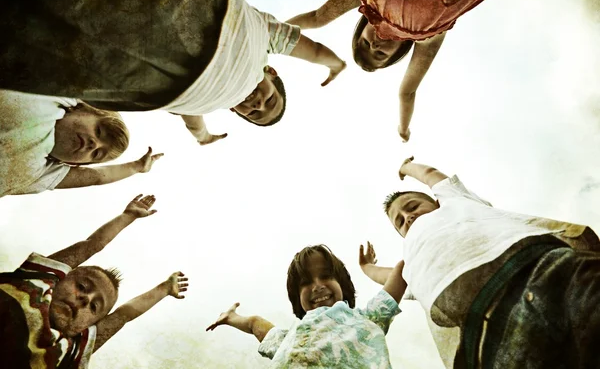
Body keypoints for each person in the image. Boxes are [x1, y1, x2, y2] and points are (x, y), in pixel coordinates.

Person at [0, 0, 346, 146]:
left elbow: (192, 118)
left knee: (52, 46)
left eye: (252, 113)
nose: (256, 104)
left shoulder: (208, 103)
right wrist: (333, 63)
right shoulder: (263, 45)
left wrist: (203, 136)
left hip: (155, 78)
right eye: (269, 100)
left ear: (233, 109)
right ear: (271, 72)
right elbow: (308, 47)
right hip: (211, 8)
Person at [382, 156, 600, 368]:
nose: (407, 217)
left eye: (412, 207)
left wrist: (407, 167)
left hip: (542, 268)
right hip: (488, 332)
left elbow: (431, 175)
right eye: (400, 221)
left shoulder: (453, 201)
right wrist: (367, 268)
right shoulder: (412, 259)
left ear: (437, 202)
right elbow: (393, 278)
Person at [287, 0, 519, 142]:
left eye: (365, 43)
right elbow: (406, 92)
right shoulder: (427, 35)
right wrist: (403, 129)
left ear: (361, 29)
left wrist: (268, 34)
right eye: (379, 53)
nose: (375, 44)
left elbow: (317, 18)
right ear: (399, 52)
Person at [0, 194, 188, 369]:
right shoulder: (33, 285)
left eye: (94, 307)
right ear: (58, 279)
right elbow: (90, 246)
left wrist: (164, 289)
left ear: (85, 327)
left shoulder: (66, 351)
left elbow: (123, 315)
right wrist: (127, 216)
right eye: (82, 286)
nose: (85, 299)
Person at [206, 244, 406, 368]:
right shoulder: (291, 338)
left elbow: (402, 273)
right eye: (305, 282)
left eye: (326, 276)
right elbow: (255, 325)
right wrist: (230, 317)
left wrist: (367, 267)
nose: (317, 286)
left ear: (343, 285)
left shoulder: (366, 319)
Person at [0, 91, 162, 197]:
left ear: (72, 163)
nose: (94, 144)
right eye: (98, 131)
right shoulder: (52, 95)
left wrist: (135, 167)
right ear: (82, 109)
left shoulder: (41, 174)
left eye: (97, 154)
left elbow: (97, 177)